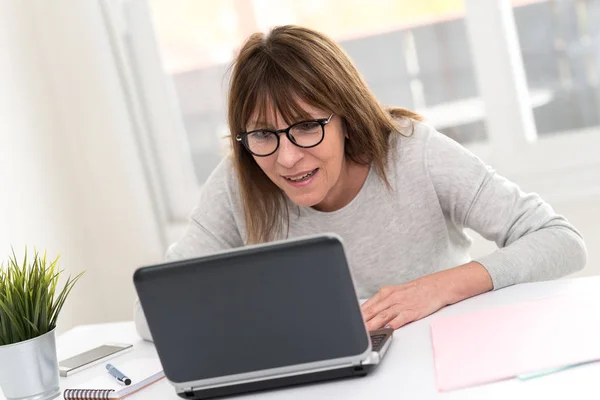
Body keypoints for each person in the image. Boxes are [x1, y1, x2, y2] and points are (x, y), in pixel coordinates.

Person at [134, 25, 586, 341]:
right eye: (263, 135)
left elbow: (562, 241)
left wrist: (442, 286)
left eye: (307, 126)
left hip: (434, 363)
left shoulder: (415, 154)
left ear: (346, 118)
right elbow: (151, 312)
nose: (287, 157)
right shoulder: (240, 180)